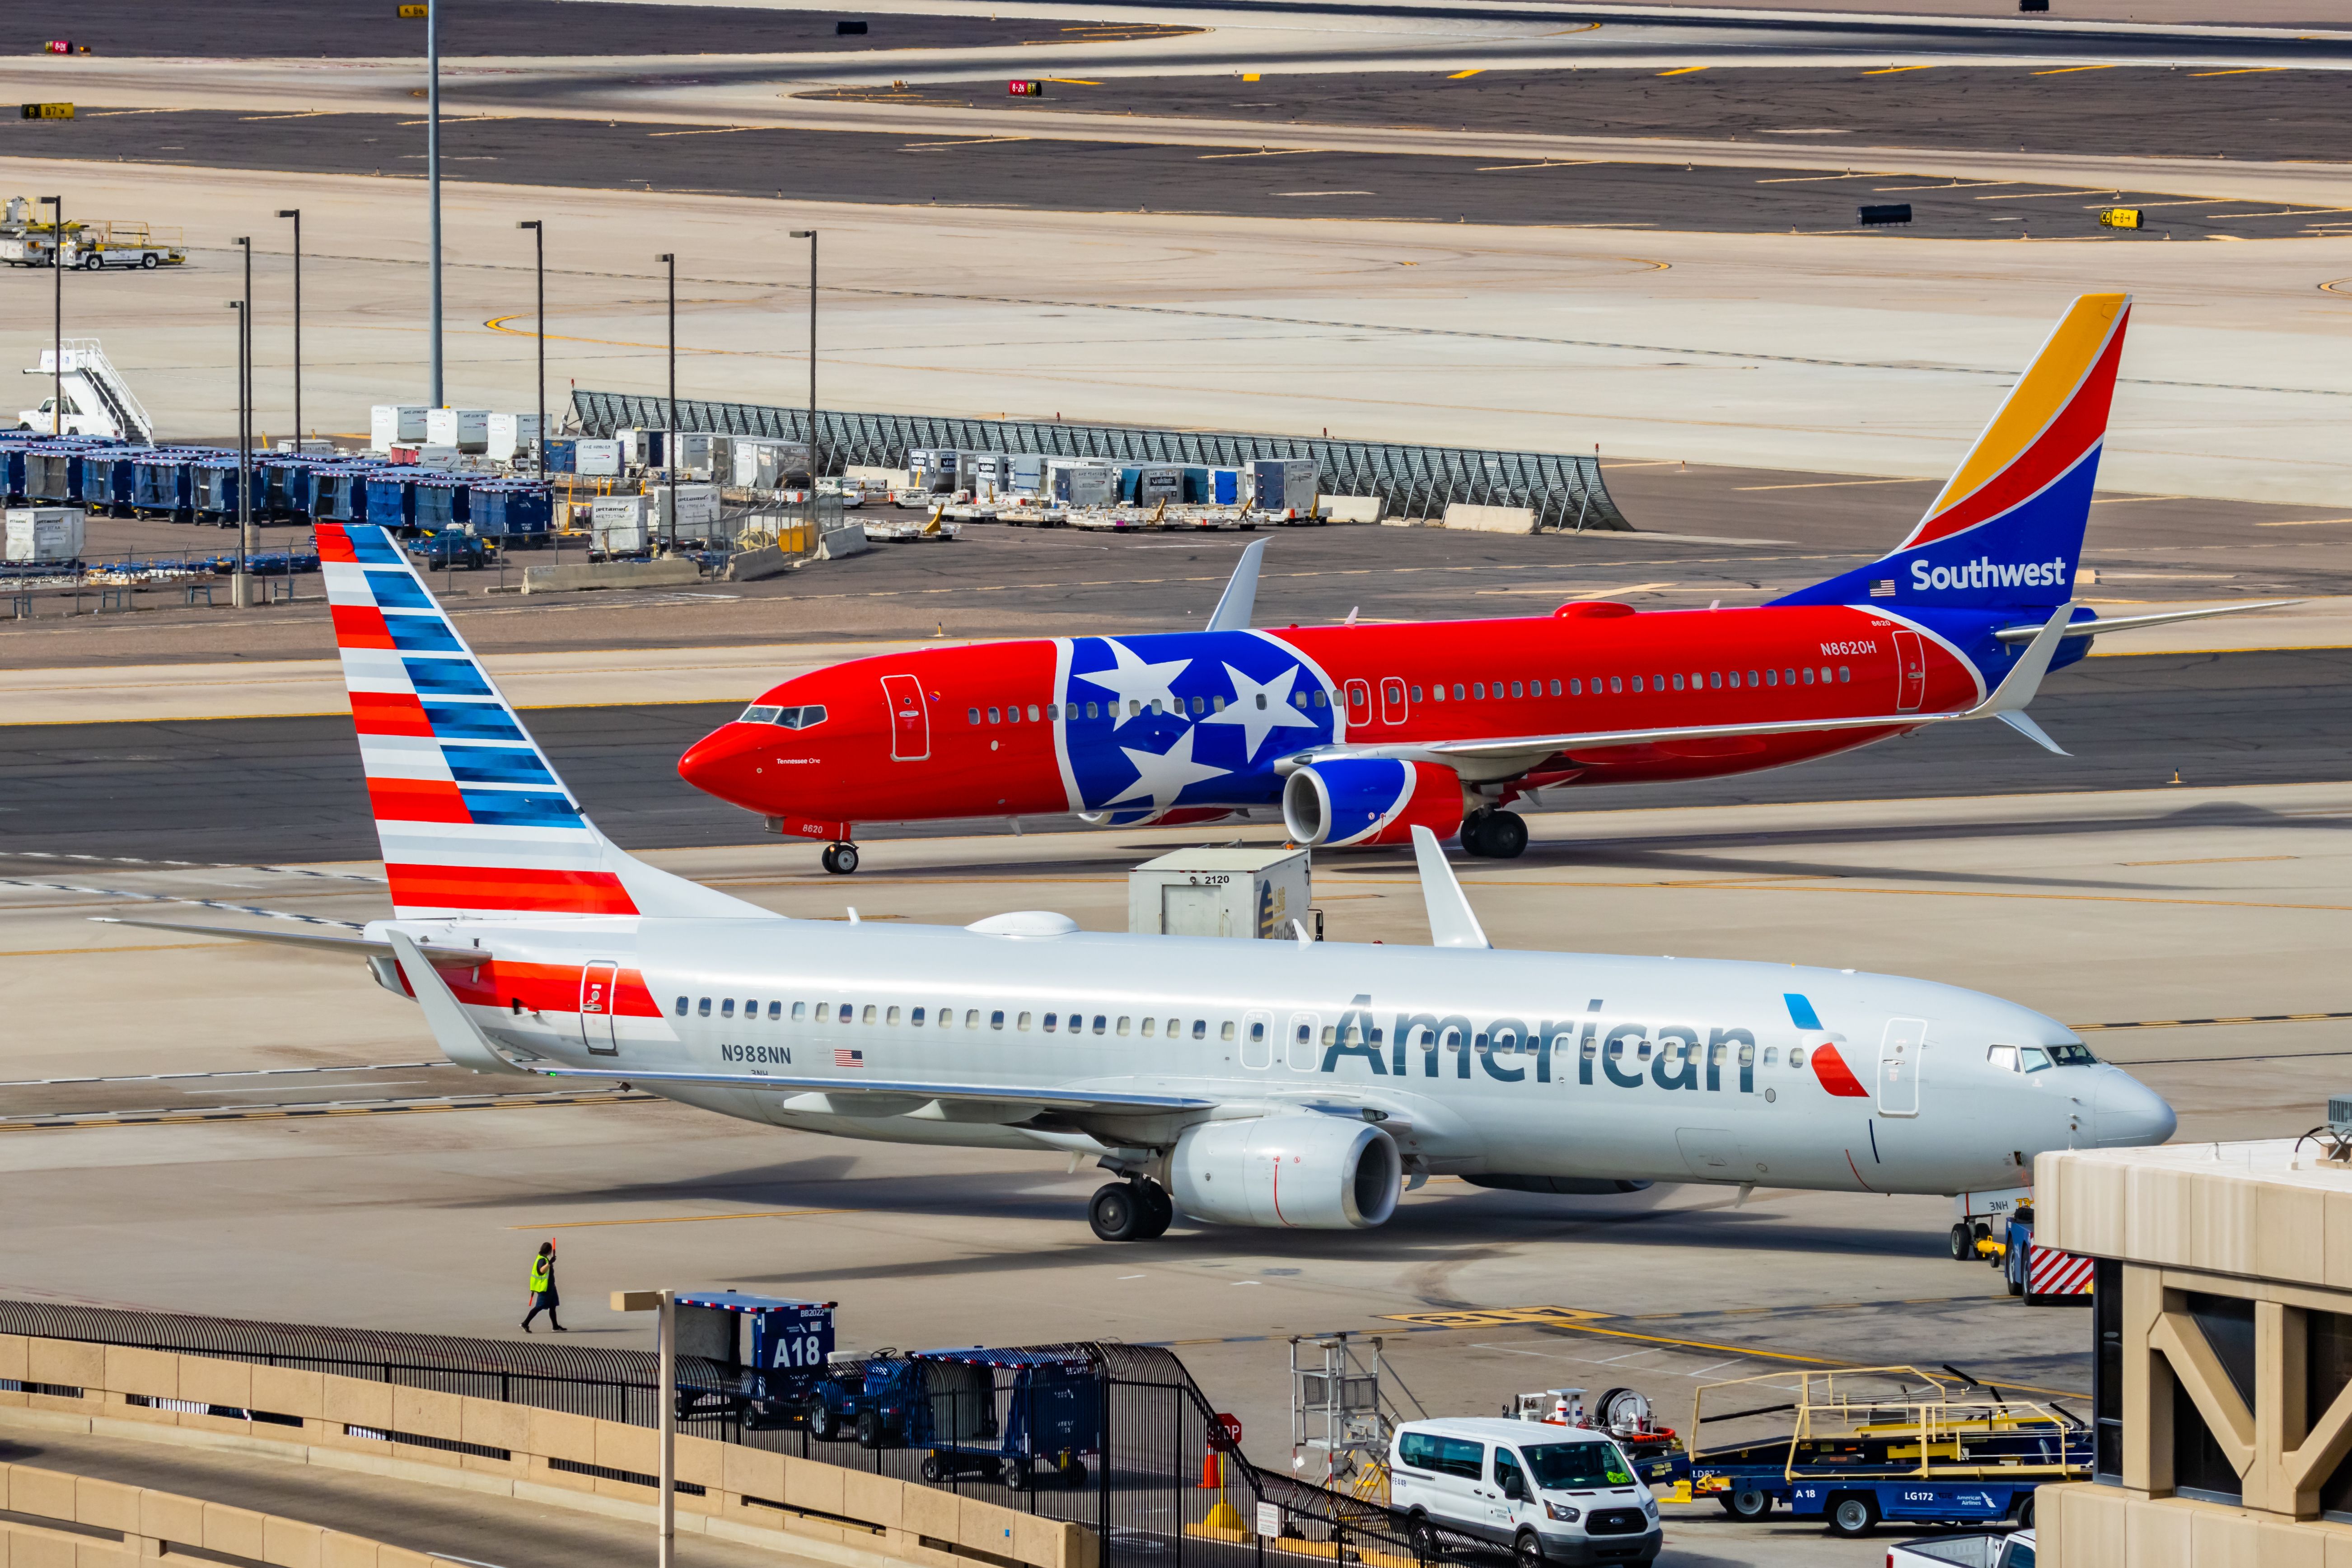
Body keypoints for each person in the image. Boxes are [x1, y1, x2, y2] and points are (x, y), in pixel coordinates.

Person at [521, 1240, 564, 1332]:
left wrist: (550, 1262)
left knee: (553, 1306)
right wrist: (550, 1263)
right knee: (539, 1307)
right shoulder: (542, 1260)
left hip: (551, 1287)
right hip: (545, 1289)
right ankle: (525, 1323)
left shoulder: (543, 1258)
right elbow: (542, 1271)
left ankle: (555, 1326)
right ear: (549, 1251)